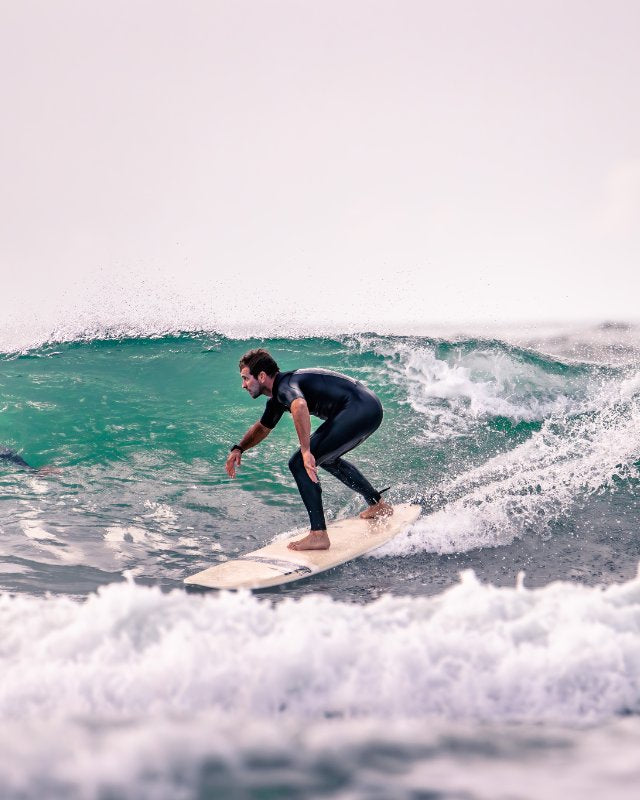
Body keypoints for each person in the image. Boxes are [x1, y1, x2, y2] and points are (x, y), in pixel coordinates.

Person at [225, 348, 392, 551]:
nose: (243, 385)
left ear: (261, 376)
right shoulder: (278, 396)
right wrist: (239, 448)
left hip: (359, 408)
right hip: (368, 408)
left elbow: (299, 406)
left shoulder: (286, 386)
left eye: (246, 378)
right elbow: (262, 427)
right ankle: (377, 504)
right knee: (326, 459)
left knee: (298, 463)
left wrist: (306, 451)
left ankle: (318, 534)